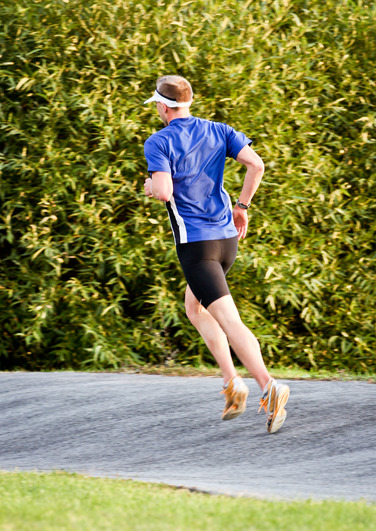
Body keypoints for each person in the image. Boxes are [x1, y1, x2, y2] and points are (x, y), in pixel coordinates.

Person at [143, 75, 290, 433]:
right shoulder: (219, 129)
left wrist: (149, 186)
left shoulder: (158, 142)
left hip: (197, 246)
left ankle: (269, 387)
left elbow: (163, 191)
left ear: (163, 106)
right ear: (187, 103)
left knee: (229, 320)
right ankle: (232, 384)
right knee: (194, 307)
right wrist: (242, 206)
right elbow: (256, 165)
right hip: (227, 238)